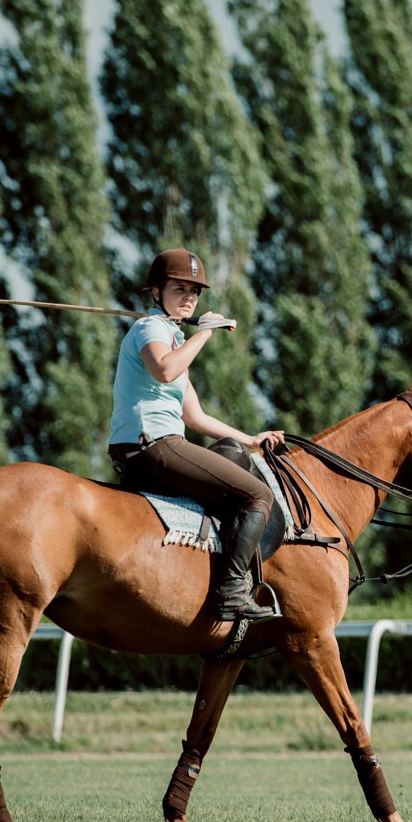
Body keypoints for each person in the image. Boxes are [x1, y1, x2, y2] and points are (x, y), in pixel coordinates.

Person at [108, 248, 283, 622]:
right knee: (258, 495)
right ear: (157, 293)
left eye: (194, 291)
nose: (189, 297)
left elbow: (196, 416)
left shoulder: (172, 338)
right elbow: (165, 371)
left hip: (160, 443)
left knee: (234, 453)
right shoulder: (150, 328)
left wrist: (250, 439)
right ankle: (233, 593)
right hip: (151, 445)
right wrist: (203, 334)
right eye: (179, 289)